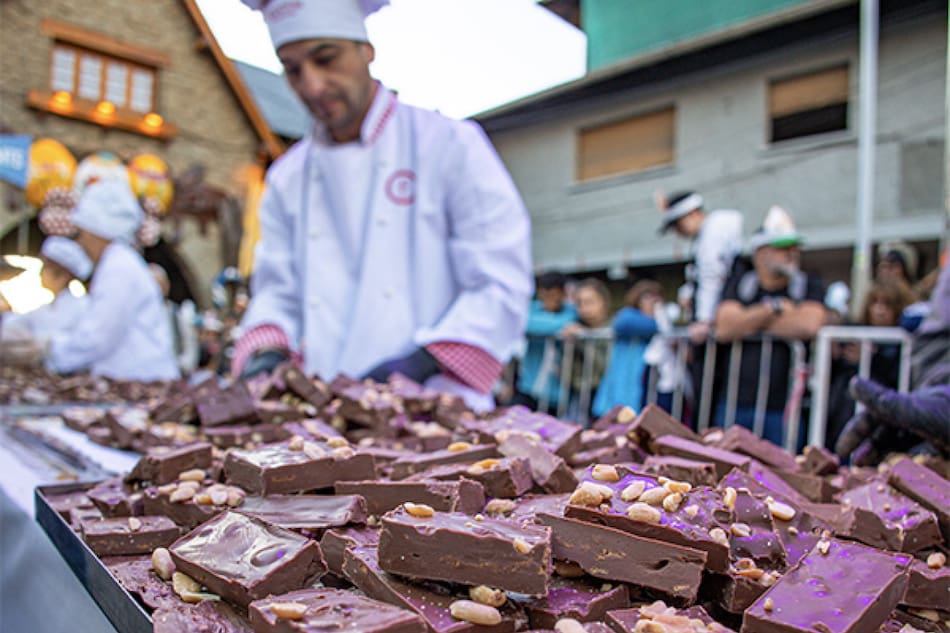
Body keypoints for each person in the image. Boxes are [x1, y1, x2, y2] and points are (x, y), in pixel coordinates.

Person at [234, 0, 532, 411]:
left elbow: (499, 281)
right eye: (293, 69)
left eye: (326, 58)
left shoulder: (448, 144)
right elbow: (276, 292)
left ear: (365, 49)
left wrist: (423, 361)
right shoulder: (287, 177)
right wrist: (267, 349)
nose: (313, 86)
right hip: (326, 414)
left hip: (439, 408)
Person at [45, 180, 179, 381]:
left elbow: (99, 337)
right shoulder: (119, 263)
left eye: (83, 233)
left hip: (140, 381)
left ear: (97, 232)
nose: (81, 242)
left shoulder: (119, 268)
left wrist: (50, 350)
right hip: (135, 379)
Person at [713, 206, 825, 446]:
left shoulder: (807, 283)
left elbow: (808, 324)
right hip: (736, 401)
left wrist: (748, 322)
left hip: (784, 406)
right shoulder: (742, 283)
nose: (792, 254)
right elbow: (724, 326)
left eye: (794, 248)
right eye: (783, 248)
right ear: (761, 253)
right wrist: (773, 310)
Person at [657, 190, 743, 343]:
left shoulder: (713, 231)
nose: (678, 232)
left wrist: (704, 319)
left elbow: (712, 275)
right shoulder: (706, 235)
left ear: (693, 213)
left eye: (678, 225)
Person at [0, 237, 91, 365]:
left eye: (45, 268)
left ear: (63, 276)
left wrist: (48, 345)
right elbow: (16, 322)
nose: (40, 274)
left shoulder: (83, 306)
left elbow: (85, 344)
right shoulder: (45, 307)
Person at [592, 279, 660, 417]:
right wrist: (658, 323)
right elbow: (622, 324)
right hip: (623, 383)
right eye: (647, 298)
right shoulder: (628, 316)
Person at [512, 271, 577, 412]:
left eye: (553, 296)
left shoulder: (571, 312)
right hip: (528, 386)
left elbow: (572, 320)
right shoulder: (532, 309)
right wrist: (560, 326)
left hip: (556, 392)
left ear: (562, 294)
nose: (548, 301)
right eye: (545, 296)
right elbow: (527, 324)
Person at [561, 278, 612, 422]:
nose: (584, 308)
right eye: (580, 303)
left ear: (604, 302)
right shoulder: (575, 327)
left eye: (589, 302)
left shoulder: (614, 329)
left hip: (604, 396)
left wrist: (583, 338)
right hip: (580, 394)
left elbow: (604, 367)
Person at [149, 263, 199, 375]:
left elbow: (190, 350)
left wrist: (174, 367)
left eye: (157, 285)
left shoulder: (178, 314)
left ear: (166, 286)